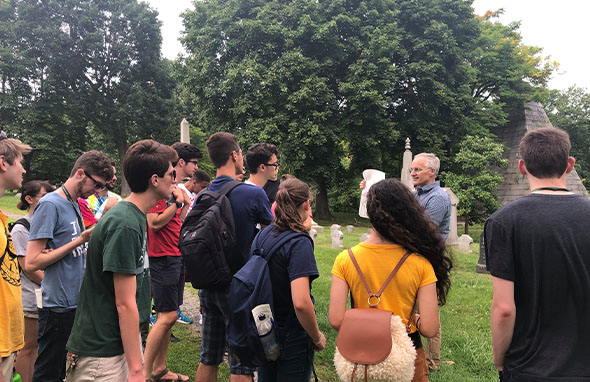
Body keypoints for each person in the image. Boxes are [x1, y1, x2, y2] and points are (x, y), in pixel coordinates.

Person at [65, 140, 177, 382]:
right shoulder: (125, 224)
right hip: (101, 354)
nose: (175, 180)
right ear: (155, 180)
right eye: (172, 173)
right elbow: (124, 303)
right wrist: (137, 370)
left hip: (117, 342)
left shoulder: (134, 216)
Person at [485, 127, 590, 381]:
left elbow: (504, 308)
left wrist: (500, 359)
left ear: (522, 167)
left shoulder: (502, 222)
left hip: (527, 366)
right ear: (569, 165)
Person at [329, 178, 452, 382]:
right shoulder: (420, 263)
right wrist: (413, 319)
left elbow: (336, 319)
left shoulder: (345, 260)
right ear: (407, 212)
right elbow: (430, 328)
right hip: (407, 353)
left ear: (369, 214)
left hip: (362, 355)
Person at [25, 150, 113, 382]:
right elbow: (32, 261)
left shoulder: (74, 203)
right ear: (80, 173)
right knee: (48, 372)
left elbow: (71, 250)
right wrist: (80, 240)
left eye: (101, 187)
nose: (97, 191)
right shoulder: (50, 204)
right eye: (96, 185)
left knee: (63, 370)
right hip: (56, 307)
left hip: (74, 301)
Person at [194, 132, 274, 382]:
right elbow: (272, 233)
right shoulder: (252, 194)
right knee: (241, 363)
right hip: (239, 287)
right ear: (234, 155)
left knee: (209, 356)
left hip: (208, 284)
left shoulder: (202, 196)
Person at [257, 177, 326, 382]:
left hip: (265, 326)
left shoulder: (265, 233)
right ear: (306, 204)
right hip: (292, 333)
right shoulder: (299, 243)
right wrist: (316, 337)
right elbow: (301, 302)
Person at [143, 142, 202, 382]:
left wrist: (184, 204)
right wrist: (177, 203)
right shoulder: (161, 189)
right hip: (161, 258)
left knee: (171, 315)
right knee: (165, 316)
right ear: (180, 163)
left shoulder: (177, 189)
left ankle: (160, 368)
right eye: (194, 163)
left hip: (175, 255)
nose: (196, 168)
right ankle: (142, 373)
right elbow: (154, 222)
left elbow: (180, 221)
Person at [13, 181, 55, 382]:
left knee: (39, 346)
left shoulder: (46, 223)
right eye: (44, 197)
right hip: (31, 297)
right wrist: (53, 284)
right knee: (28, 347)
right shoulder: (21, 229)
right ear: (29, 199)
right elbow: (28, 269)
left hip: (47, 296)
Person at [0, 137, 31, 382]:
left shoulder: (2, 218)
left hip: (7, 341)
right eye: (20, 162)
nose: (24, 169)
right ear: (3, 163)